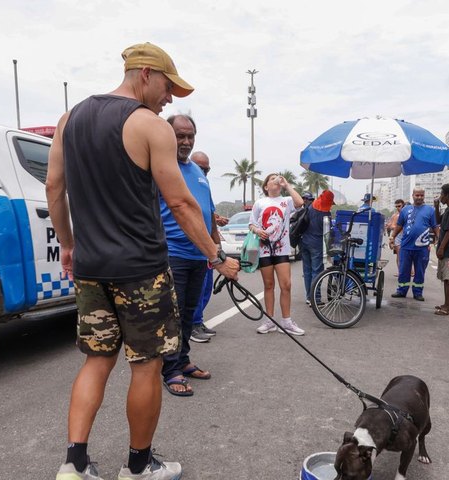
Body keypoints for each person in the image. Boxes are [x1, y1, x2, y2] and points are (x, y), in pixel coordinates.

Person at [46, 42, 238, 480]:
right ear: (147, 74)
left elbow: (54, 188)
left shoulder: (68, 119)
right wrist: (216, 257)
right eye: (169, 87)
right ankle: (137, 467)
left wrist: (70, 244)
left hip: (92, 268)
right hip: (141, 272)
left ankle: (73, 466)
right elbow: (181, 203)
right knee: (147, 365)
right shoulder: (149, 125)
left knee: (96, 361)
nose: (169, 98)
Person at [159, 117, 221, 397]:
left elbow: (207, 213)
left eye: (190, 136)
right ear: (168, 136)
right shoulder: (162, 167)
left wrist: (216, 249)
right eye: (180, 136)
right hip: (173, 253)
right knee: (172, 314)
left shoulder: (197, 171)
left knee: (188, 314)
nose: (185, 141)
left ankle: (182, 360)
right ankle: (170, 370)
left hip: (199, 256)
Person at [250, 173, 305, 334]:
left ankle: (286, 321)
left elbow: (300, 202)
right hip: (264, 250)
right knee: (268, 285)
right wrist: (258, 230)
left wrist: (287, 185)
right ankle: (269, 321)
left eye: (277, 178)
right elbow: (252, 224)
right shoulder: (260, 203)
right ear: (266, 186)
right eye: (272, 178)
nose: (276, 180)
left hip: (282, 249)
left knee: (286, 285)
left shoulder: (286, 201)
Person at [188, 151, 227, 343]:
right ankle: (192, 325)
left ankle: (198, 320)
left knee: (206, 287)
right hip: (189, 248)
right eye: (200, 168)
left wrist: (217, 249)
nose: (204, 171)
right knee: (193, 292)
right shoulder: (183, 180)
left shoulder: (204, 185)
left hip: (207, 249)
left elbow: (208, 213)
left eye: (207, 169)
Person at [389, 188, 438, 301]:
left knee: (420, 271)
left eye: (422, 195)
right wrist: (392, 237)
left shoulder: (430, 210)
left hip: (422, 248)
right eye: (417, 195)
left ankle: (418, 292)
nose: (419, 197)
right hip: (406, 246)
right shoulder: (405, 210)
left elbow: (435, 227)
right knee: (403, 270)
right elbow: (399, 226)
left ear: (424, 196)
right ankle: (401, 290)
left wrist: (438, 239)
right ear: (413, 195)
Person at [300, 190, 334, 306]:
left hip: (304, 242)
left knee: (307, 271)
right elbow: (328, 233)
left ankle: (309, 297)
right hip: (316, 244)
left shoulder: (310, 207)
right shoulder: (326, 214)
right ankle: (316, 298)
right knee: (317, 271)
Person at [434, 184, 449, 316]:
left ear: (447, 195)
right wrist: (436, 207)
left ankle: (448, 307)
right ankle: (445, 304)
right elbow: (438, 221)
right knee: (445, 278)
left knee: (448, 279)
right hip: (446, 249)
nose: (440, 196)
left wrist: (442, 248)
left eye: (442, 194)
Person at [387, 199, 405, 274]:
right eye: (396, 206)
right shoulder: (394, 215)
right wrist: (391, 238)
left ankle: (409, 270)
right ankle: (400, 272)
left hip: (406, 236)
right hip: (398, 236)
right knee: (399, 254)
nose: (398, 208)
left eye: (399, 206)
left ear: (403, 205)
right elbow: (389, 226)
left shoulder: (408, 214)